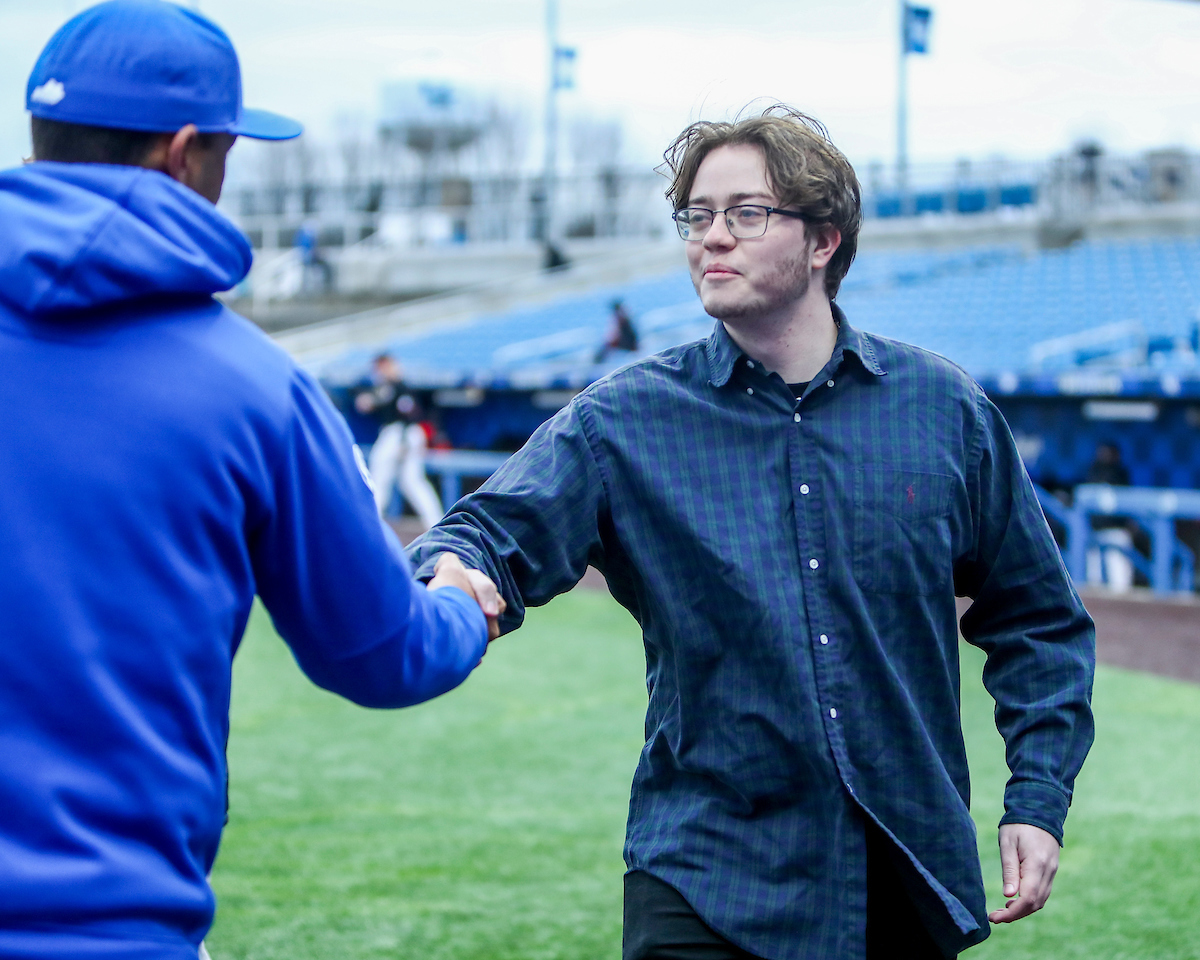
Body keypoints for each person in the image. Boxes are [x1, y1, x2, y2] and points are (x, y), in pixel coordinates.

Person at [409, 105, 1096, 960]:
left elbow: (1037, 619)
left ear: (824, 241)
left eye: (746, 214)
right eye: (697, 217)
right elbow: (485, 532)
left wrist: (1035, 798)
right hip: (705, 875)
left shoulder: (945, 411)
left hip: (904, 869)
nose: (712, 239)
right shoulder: (624, 421)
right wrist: (456, 570)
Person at [0, 3, 502, 960]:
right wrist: (464, 608)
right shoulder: (253, 386)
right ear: (184, 154)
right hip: (106, 929)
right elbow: (379, 652)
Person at [354, 353, 445, 529]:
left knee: (380, 480)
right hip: (407, 435)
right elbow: (371, 401)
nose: (380, 371)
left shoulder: (398, 386)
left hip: (400, 434)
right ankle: (436, 523)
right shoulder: (390, 387)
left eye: (383, 366)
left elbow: (407, 415)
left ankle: (371, 525)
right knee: (411, 482)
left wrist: (403, 441)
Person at [595, 298, 641, 363]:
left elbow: (620, 334)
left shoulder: (621, 318)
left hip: (628, 343)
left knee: (606, 347)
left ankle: (597, 361)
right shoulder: (624, 316)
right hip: (629, 343)